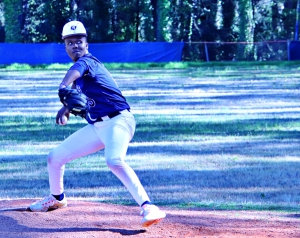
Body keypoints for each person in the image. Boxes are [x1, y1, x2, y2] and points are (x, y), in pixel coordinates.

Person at [29, 20, 166, 227]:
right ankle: (57, 198)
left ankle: (149, 207)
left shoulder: (88, 62)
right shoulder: (81, 76)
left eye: (79, 41)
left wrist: (62, 85)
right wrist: (65, 109)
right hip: (98, 127)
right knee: (55, 157)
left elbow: (74, 73)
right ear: (65, 47)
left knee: (114, 160)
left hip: (119, 121)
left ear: (87, 44)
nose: (75, 45)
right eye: (70, 42)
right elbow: (77, 94)